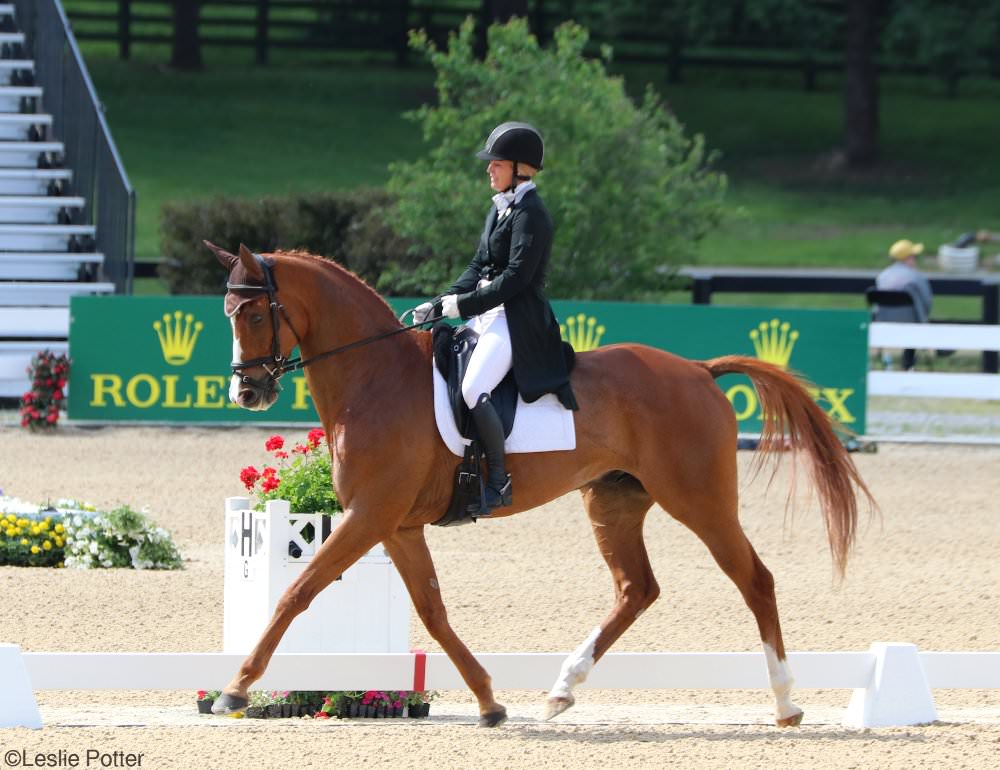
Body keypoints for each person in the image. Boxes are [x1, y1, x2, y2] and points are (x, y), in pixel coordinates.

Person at [413, 121, 578, 514]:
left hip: (516, 321)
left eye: (496, 164)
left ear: (521, 168)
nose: (489, 169)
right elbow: (479, 265)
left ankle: (499, 480)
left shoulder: (532, 214)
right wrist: (442, 301)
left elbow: (516, 279)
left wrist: (464, 306)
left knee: (473, 389)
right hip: (487, 316)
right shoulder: (500, 209)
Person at [875, 239, 934, 370]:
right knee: (916, 320)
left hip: (883, 322)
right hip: (912, 324)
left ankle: (886, 359)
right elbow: (927, 302)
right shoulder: (916, 277)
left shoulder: (882, 276)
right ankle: (908, 363)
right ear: (908, 258)